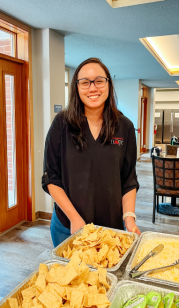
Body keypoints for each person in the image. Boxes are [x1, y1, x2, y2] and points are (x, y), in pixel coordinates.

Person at [42, 57, 139, 247]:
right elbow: (51, 178)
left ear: (109, 85)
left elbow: (128, 180)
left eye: (99, 81)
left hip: (110, 228)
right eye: (85, 82)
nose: (92, 88)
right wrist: (74, 219)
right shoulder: (61, 124)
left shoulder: (125, 127)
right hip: (68, 226)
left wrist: (129, 218)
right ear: (76, 88)